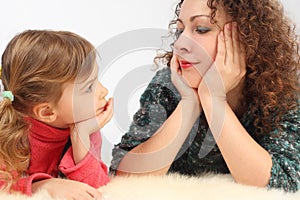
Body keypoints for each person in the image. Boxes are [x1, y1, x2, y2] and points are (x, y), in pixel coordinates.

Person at [110, 0, 299, 193]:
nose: (179, 44)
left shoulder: (282, 92)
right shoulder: (169, 84)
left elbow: (283, 183)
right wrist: (189, 104)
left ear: (247, 38)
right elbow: (122, 176)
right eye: (181, 30)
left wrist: (213, 99)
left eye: (201, 29)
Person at [0, 30, 113, 199]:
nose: (104, 91)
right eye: (89, 87)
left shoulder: (84, 127)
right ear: (47, 112)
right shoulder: (10, 133)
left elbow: (99, 187)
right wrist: (42, 185)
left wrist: (80, 137)